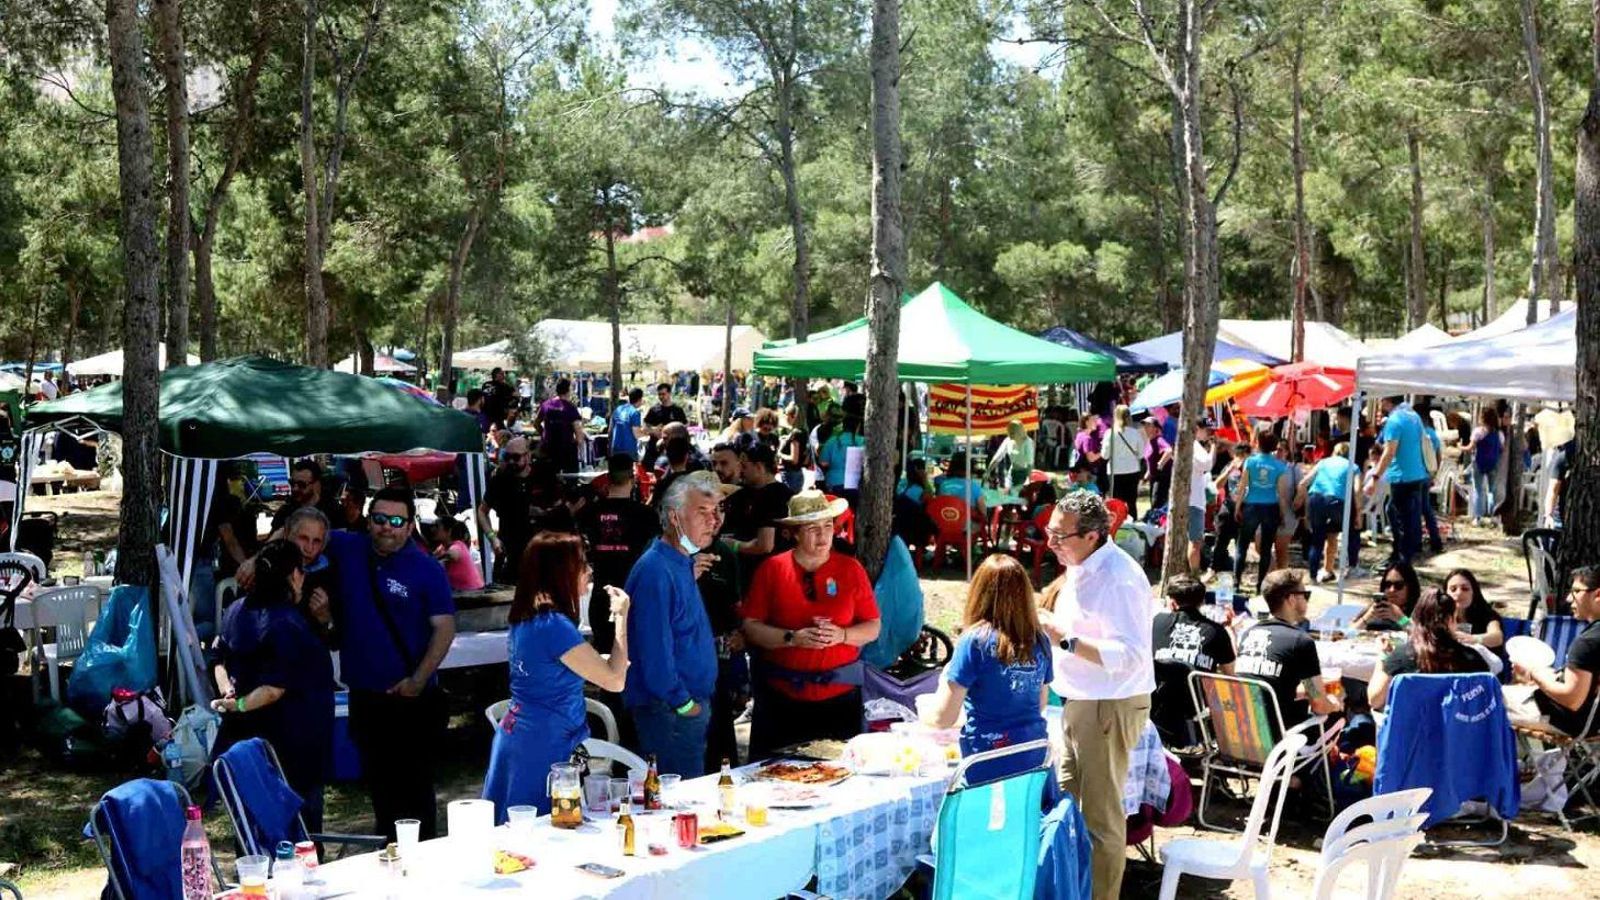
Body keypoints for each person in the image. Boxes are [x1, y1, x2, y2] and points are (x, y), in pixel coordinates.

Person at [258, 487, 455, 841]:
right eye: (379, 519)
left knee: (416, 795)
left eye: (396, 521)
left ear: (410, 527)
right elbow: (300, 529)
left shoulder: (427, 569)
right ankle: (392, 868)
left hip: (411, 699)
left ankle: (424, 873)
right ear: (368, 520)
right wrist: (255, 559)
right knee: (381, 793)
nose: (386, 528)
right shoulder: (349, 547)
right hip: (365, 697)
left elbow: (445, 628)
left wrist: (417, 680)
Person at [1035, 492, 1153, 900]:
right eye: (1048, 532)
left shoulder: (1119, 577)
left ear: (1091, 536)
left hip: (1109, 701)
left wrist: (1064, 639)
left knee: (1100, 821)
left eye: (1058, 536)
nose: (1050, 543)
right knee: (1068, 807)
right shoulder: (1081, 565)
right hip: (1080, 700)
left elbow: (1131, 656)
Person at [482, 533, 632, 819]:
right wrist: (622, 617)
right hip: (544, 746)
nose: (589, 570)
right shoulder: (553, 625)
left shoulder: (528, 616)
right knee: (541, 836)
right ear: (561, 571)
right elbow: (615, 681)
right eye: (582, 563)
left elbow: (548, 667)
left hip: (522, 737)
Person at [740, 490, 881, 760]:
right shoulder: (772, 569)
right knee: (775, 779)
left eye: (828, 526)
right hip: (781, 701)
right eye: (812, 528)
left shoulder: (851, 569)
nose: (823, 535)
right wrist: (791, 637)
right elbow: (751, 627)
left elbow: (873, 626)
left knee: (838, 781)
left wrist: (842, 634)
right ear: (793, 533)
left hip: (839, 701)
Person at [210, 540, 336, 831]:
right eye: (302, 571)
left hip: (247, 743)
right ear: (293, 575)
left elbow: (218, 661)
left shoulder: (236, 609)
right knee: (299, 836)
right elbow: (273, 689)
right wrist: (238, 703)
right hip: (292, 746)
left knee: (252, 827)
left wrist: (227, 693)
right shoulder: (286, 624)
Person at [623, 471, 724, 777]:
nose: (714, 521)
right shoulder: (656, 570)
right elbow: (655, 655)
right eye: (703, 512)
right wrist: (683, 704)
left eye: (717, 511)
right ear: (674, 517)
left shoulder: (679, 561)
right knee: (676, 803)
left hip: (682, 707)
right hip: (669, 711)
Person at [921, 555, 1052, 756]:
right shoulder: (1040, 640)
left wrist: (923, 714)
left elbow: (943, 718)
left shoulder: (975, 641)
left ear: (978, 593)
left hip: (988, 758)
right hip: (1034, 753)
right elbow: (1040, 703)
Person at [1235, 570, 1341, 728]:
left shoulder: (1248, 635)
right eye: (1305, 595)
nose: (1307, 601)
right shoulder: (1301, 641)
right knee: (1337, 718)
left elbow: (1266, 686)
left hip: (1244, 728)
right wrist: (1334, 705)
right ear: (1291, 599)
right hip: (1281, 737)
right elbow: (1318, 703)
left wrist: (1306, 692)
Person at [577, 455, 660, 653]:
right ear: (632, 479)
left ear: (608, 478)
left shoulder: (589, 512)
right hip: (634, 594)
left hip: (602, 593)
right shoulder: (646, 515)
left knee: (605, 657)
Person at [1509, 566, 1600, 736]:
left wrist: (1533, 674)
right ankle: (1546, 762)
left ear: (1597, 595)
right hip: (1593, 721)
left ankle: (1500, 762)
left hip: (1571, 723)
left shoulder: (1587, 642)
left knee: (1486, 701)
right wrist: (1547, 676)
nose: (1567, 598)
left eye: (1576, 591)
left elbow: (1572, 699)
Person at [1368, 587, 1492, 711]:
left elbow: (1374, 700)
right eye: (1456, 619)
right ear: (1450, 621)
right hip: (1457, 728)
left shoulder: (1401, 657)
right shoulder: (1472, 660)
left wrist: (1383, 656)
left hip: (1410, 729)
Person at [476, 436, 563, 584]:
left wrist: (545, 513)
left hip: (541, 549)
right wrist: (492, 538)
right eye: (507, 456)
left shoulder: (544, 475)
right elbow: (482, 511)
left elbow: (560, 508)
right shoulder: (500, 479)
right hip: (510, 550)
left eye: (516, 457)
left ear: (528, 456)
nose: (511, 462)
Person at [1366, 395, 1430, 564]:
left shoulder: (1394, 421)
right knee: (1403, 515)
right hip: (1417, 473)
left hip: (1402, 476)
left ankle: (1402, 558)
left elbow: (1389, 451)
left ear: (1387, 400)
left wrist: (1375, 476)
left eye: (1381, 401)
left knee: (1398, 516)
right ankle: (1402, 553)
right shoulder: (1413, 416)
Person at [1233, 428, 1290, 595]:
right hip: (1270, 507)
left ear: (1258, 443)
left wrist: (1238, 506)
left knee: (1242, 545)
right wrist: (1282, 512)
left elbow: (1242, 486)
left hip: (1251, 505)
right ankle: (1260, 585)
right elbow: (1281, 493)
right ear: (1274, 447)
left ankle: (1236, 583)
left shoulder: (1250, 462)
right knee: (1266, 548)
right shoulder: (1280, 466)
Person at [724, 442, 795, 567]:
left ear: (759, 467)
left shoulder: (770, 495)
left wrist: (732, 545)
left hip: (765, 566)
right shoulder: (783, 491)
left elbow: (765, 546)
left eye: (744, 467)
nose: (741, 472)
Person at [1299, 442, 1360, 583]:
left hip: (1317, 499)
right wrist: (1358, 513)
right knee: (1352, 531)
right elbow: (1357, 490)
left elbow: (1303, 483)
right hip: (1337, 501)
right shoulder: (1353, 466)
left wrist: (1301, 501)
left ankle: (1314, 575)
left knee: (1317, 540)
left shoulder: (1322, 463)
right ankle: (1352, 567)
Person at [1152, 574, 1236, 675]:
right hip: (1196, 690)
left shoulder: (1157, 621)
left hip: (1159, 689)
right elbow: (1230, 675)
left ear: (1173, 603)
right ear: (1202, 602)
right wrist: (1230, 630)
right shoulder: (1217, 632)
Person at [271, 459, 346, 532]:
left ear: (317, 485)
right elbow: (272, 540)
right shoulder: (286, 511)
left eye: (301, 485)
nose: (295, 488)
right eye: (292, 483)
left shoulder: (334, 511)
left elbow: (342, 540)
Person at [1443, 568, 1505, 653]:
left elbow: (1497, 637)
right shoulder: (1439, 615)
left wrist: (1474, 639)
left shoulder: (1487, 614)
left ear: (1474, 592)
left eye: (1465, 589)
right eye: (1453, 589)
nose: (1459, 593)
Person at [534, 377, 586, 474]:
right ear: (569, 390)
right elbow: (579, 435)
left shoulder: (546, 405)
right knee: (570, 481)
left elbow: (536, 423)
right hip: (566, 451)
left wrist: (544, 435)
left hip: (548, 449)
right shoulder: (571, 408)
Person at [817, 395, 866, 496]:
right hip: (855, 484)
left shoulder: (832, 441)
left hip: (834, 483)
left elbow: (823, 462)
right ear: (857, 427)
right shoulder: (863, 441)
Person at [1104, 405, 1147, 519]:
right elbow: (1142, 454)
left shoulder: (1110, 433)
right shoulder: (1135, 433)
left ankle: (1117, 523)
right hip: (1132, 469)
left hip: (1115, 471)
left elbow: (1105, 455)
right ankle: (1132, 522)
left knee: (1116, 501)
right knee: (1131, 501)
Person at [1353, 559, 1421, 631]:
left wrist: (1401, 619)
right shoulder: (1375, 608)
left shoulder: (1419, 612)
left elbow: (1422, 637)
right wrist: (1366, 619)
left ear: (1410, 588)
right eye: (1388, 585)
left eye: (1398, 585)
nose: (1391, 590)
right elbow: (1346, 633)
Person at [1462, 407, 1503, 525]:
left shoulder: (1478, 431)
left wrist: (1460, 447)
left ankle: (1478, 518)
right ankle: (1493, 516)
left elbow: (1470, 448)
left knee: (1478, 490)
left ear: (1482, 418)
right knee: (1491, 491)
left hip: (1479, 462)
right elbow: (1502, 448)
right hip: (1493, 463)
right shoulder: (1498, 433)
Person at [1183, 420, 1214, 573]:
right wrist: (1213, 448)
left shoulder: (1192, 446)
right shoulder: (1194, 446)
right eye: (1207, 430)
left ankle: (1192, 571)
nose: (1209, 434)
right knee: (1195, 541)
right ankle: (1194, 573)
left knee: (1194, 540)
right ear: (1197, 429)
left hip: (1193, 497)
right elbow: (1207, 465)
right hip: (1194, 500)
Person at [428, 515, 483, 593]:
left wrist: (435, 559)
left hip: (473, 594)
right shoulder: (442, 548)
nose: (433, 529)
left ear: (449, 531)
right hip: (460, 592)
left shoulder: (458, 545)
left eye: (437, 526)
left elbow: (453, 554)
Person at [642, 383, 688, 465]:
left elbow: (685, 426)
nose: (661, 397)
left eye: (663, 394)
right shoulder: (654, 410)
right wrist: (653, 430)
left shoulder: (677, 410)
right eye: (659, 394)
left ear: (669, 394)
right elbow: (644, 427)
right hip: (654, 448)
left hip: (672, 449)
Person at [935, 451, 987, 522]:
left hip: (947, 526)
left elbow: (938, 505)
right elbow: (983, 512)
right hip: (968, 529)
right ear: (970, 468)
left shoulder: (943, 485)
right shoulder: (974, 487)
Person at [1140, 416, 1172, 511]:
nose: (1145, 427)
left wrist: (1161, 463)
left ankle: (1157, 523)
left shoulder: (1159, 440)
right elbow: (1151, 461)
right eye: (1145, 425)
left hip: (1162, 478)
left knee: (1157, 504)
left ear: (1156, 428)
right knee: (1154, 503)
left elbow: (1169, 450)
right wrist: (1146, 476)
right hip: (1154, 478)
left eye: (1149, 425)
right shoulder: (1150, 442)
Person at [993, 419, 1036, 491]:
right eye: (1010, 433)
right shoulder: (1008, 440)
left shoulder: (1028, 442)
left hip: (1023, 475)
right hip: (1011, 474)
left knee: (1019, 496)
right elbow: (997, 457)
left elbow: (1030, 464)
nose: (1010, 435)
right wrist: (988, 472)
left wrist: (1028, 480)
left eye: (1012, 433)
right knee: (1007, 494)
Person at [778, 404, 810, 492]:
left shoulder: (795, 435)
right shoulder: (803, 433)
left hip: (790, 474)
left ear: (792, 416)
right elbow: (806, 458)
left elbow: (794, 459)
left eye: (786, 414)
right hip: (798, 473)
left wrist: (780, 454)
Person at [611, 387, 645, 461]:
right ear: (640, 399)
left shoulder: (618, 409)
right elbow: (637, 434)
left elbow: (610, 429)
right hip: (629, 450)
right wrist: (648, 432)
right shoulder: (635, 413)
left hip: (616, 448)